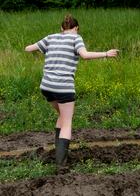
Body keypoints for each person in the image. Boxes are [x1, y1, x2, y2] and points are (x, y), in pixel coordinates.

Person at [25, 14, 118, 173]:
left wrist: (45, 50)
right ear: (77, 28)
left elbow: (28, 49)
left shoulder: (51, 37)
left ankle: (58, 153)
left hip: (46, 86)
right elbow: (85, 55)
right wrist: (106, 54)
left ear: (62, 28)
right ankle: (61, 164)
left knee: (61, 115)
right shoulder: (76, 38)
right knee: (67, 121)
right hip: (63, 87)